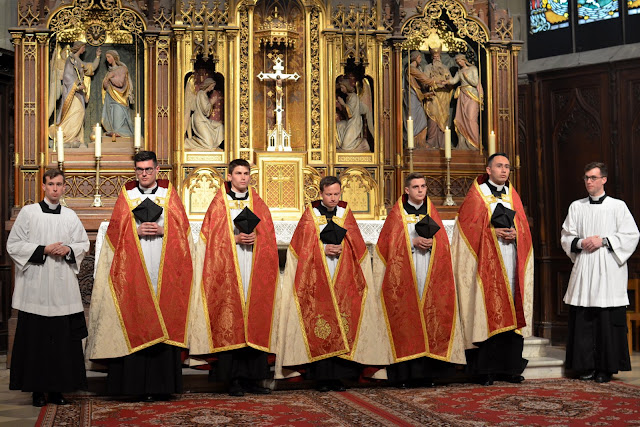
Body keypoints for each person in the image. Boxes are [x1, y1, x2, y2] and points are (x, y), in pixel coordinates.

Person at [87, 151, 194, 401]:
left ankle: (161, 386)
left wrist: (163, 229)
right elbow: (115, 233)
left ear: (157, 170)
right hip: (133, 272)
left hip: (164, 271)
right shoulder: (127, 196)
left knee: (162, 317)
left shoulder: (169, 195)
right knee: (135, 315)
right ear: (135, 171)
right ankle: (133, 386)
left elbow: (184, 232)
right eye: (139, 170)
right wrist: (135, 230)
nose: (144, 174)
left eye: (148, 169)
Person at [275, 176, 391, 391]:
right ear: (321, 194)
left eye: (337, 194)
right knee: (321, 324)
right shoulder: (310, 215)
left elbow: (358, 249)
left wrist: (343, 249)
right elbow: (299, 250)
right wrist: (323, 249)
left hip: (343, 278)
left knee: (344, 323)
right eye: (329, 194)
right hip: (317, 279)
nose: (333, 198)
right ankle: (322, 378)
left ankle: (339, 376)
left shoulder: (345, 214)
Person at [188, 159, 279, 396]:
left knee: (253, 320)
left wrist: (258, 239)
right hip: (228, 271)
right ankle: (233, 380)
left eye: (246, 173)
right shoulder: (219, 203)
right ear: (229, 177)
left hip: (253, 269)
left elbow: (269, 236)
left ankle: (253, 378)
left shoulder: (258, 203)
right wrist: (235, 239)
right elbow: (208, 239)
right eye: (238, 173)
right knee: (230, 319)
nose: (243, 177)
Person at [373, 173, 466, 388]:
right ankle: (403, 376)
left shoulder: (431, 212)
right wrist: (412, 242)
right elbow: (386, 247)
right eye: (416, 187)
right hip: (406, 273)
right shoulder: (397, 215)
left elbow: (443, 244)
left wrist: (434, 244)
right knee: (405, 321)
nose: (421, 190)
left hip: (429, 271)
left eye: (423, 186)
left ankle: (427, 374)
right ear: (407, 190)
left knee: (429, 319)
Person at [7, 169, 89, 407]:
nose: (55, 188)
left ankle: (57, 390)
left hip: (62, 288)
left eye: (59, 184)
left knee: (62, 343)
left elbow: (82, 243)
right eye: (51, 184)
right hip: (36, 286)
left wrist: (68, 249)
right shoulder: (29, 213)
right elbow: (14, 244)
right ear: (43, 186)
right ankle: (37, 391)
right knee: (36, 342)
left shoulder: (70, 216)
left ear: (64, 188)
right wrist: (43, 249)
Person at [451, 153, 534, 385]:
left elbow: (524, 229)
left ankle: (510, 368)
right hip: (484, 268)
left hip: (511, 263)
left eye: (507, 166)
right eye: (499, 166)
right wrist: (492, 232)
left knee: (512, 310)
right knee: (487, 313)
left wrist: (517, 233)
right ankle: (485, 370)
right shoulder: (477, 196)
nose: (504, 170)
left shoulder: (512, 195)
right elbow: (465, 231)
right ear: (488, 170)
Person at [561, 162, 639, 383]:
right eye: (586, 178)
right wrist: (581, 242)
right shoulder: (576, 207)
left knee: (606, 319)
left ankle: (605, 368)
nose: (589, 181)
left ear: (604, 179)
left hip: (608, 268)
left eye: (593, 178)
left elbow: (631, 235)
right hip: (585, 266)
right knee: (584, 317)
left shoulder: (618, 206)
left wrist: (603, 240)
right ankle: (584, 366)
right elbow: (566, 236)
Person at [49, 41, 101, 147]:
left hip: (79, 94)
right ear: (79, 48)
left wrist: (97, 57)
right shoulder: (71, 59)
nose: (84, 50)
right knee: (77, 112)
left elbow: (90, 67)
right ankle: (67, 137)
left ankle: (75, 138)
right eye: (83, 47)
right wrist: (76, 86)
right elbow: (67, 76)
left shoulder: (78, 60)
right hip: (72, 93)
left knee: (80, 113)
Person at [446, 53, 483, 150]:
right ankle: (463, 143)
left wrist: (467, 77)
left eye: (460, 61)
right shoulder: (459, 71)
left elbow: (475, 82)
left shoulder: (473, 69)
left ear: (464, 60)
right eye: (457, 62)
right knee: (461, 120)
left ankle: (474, 143)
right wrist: (446, 81)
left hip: (472, 95)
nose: (459, 63)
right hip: (462, 96)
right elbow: (453, 81)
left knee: (471, 119)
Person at [423, 47, 452, 149]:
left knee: (443, 119)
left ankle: (443, 143)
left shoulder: (445, 68)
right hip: (433, 95)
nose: (436, 59)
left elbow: (451, 81)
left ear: (440, 57)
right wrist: (431, 81)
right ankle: (431, 140)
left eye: (438, 57)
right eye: (434, 57)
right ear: (432, 58)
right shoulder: (428, 68)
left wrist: (447, 82)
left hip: (444, 96)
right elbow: (424, 82)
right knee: (433, 116)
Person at [101, 49, 135, 137]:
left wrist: (111, 78)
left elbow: (120, 83)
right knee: (111, 126)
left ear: (114, 57)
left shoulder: (122, 69)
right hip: (110, 101)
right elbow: (105, 86)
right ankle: (114, 134)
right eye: (106, 57)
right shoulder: (110, 72)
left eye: (109, 57)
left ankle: (128, 134)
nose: (107, 59)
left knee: (117, 127)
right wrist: (107, 78)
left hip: (119, 101)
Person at [185, 77, 224, 150]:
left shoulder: (204, 95)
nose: (212, 89)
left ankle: (214, 144)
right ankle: (188, 143)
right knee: (209, 145)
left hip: (204, 120)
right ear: (208, 85)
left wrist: (210, 103)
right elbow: (205, 110)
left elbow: (207, 113)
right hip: (199, 121)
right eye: (212, 86)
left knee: (220, 126)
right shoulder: (201, 94)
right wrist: (211, 102)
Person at [335, 77, 373, 152]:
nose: (341, 90)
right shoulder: (348, 97)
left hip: (355, 122)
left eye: (342, 88)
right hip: (349, 121)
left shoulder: (354, 97)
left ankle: (363, 144)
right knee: (338, 125)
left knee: (345, 146)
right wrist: (341, 106)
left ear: (346, 87)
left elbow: (351, 113)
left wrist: (343, 103)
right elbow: (347, 114)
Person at [406, 51, 434, 148]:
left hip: (416, 96)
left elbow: (419, 88)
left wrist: (426, 94)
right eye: (419, 58)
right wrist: (435, 81)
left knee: (421, 120)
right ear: (415, 58)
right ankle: (413, 143)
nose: (421, 60)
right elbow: (424, 79)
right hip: (412, 97)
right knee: (415, 119)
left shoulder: (416, 69)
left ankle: (420, 143)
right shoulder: (411, 69)